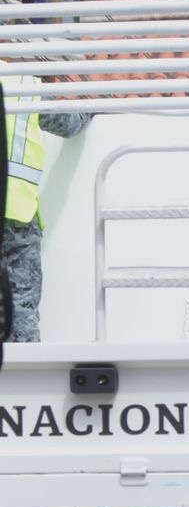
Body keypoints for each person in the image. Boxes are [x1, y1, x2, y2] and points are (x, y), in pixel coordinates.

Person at [0, 72, 92, 343]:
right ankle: (25, 366)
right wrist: (90, 107)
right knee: (20, 307)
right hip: (15, 215)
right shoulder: (23, 84)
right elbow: (69, 124)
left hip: (17, 215)